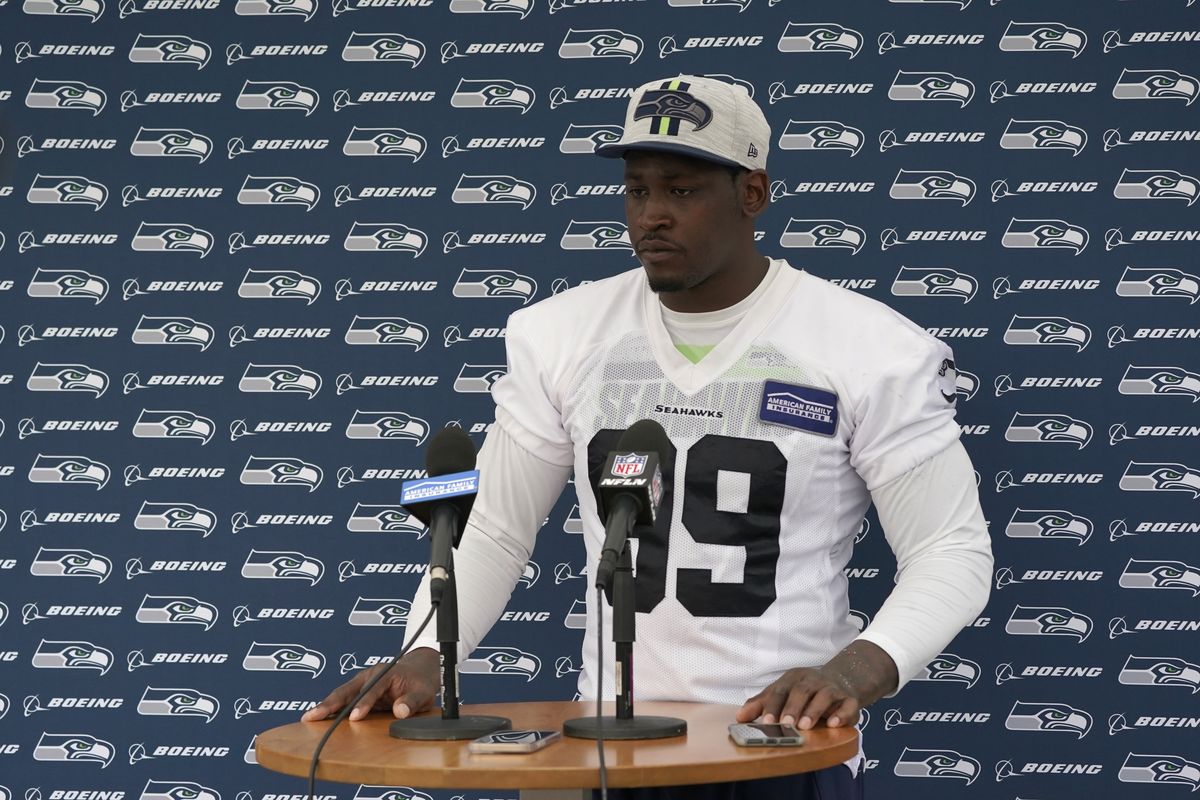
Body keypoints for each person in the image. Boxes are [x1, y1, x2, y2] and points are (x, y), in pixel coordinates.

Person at [302, 75, 993, 800]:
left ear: (751, 194)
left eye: (682, 190)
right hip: (612, 744)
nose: (652, 216)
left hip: (781, 748)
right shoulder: (563, 334)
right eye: (637, 191)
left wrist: (857, 668)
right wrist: (427, 655)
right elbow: (498, 528)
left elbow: (951, 550)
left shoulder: (868, 347)